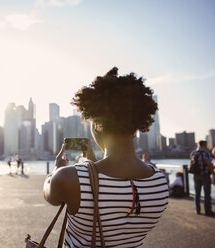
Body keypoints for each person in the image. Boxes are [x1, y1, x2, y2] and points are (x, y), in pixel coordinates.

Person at [43, 67, 169, 247]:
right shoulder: (160, 183)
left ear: (96, 126)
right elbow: (118, 194)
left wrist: (57, 170)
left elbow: (51, 195)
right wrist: (92, 165)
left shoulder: (67, 178)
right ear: (136, 124)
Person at [190, 140, 215, 216]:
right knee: (207, 194)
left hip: (196, 176)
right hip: (205, 175)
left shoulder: (193, 153)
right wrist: (214, 175)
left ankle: (197, 210)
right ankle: (208, 211)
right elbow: (209, 164)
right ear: (204, 145)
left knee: (197, 193)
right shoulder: (206, 152)